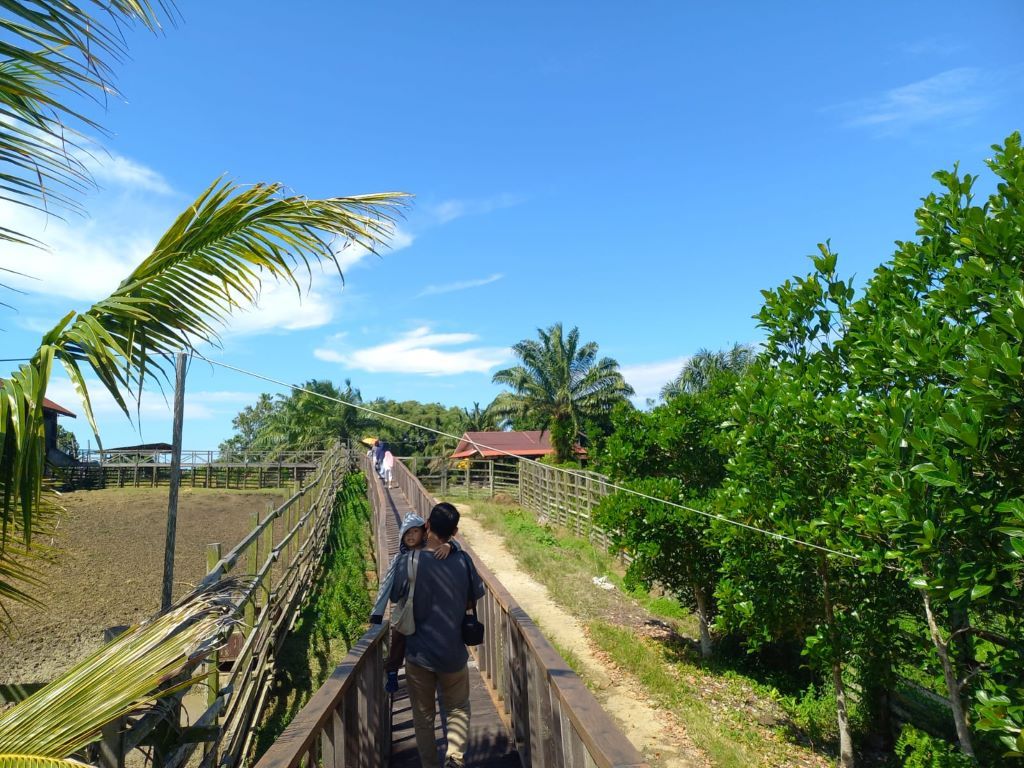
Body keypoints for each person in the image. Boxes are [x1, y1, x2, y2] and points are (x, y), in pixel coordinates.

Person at [390, 502, 484, 768]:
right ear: (454, 531)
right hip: (454, 654)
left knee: (423, 718)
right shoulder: (463, 560)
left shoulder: (409, 560)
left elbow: (396, 596)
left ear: (427, 525)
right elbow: (471, 601)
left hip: (419, 654)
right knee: (457, 708)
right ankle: (454, 756)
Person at [369, 513, 457, 692]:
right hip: (405, 608)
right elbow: (387, 587)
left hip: (430, 609)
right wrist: (377, 613)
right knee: (398, 640)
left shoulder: (434, 551)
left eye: (415, 531)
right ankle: (393, 672)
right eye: (406, 533)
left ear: (424, 532)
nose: (410, 536)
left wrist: (449, 545)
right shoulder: (400, 559)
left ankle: (436, 672)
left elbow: (459, 546)